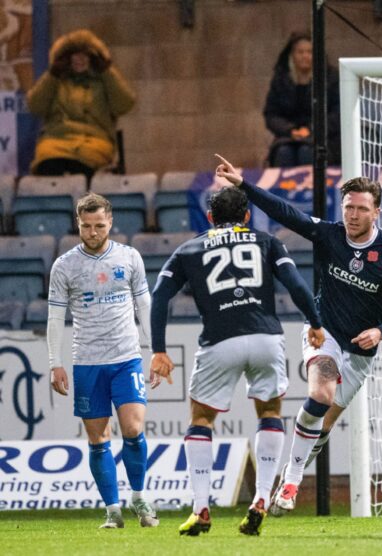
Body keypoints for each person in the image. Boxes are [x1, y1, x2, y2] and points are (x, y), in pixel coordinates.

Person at [212, 154, 382, 517]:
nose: (352, 215)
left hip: (360, 351)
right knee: (320, 394)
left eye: (360, 209)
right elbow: (286, 213)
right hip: (322, 333)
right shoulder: (329, 235)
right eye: (347, 207)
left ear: (376, 213)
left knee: (321, 425)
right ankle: (291, 483)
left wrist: (380, 331)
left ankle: (294, 471)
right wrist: (243, 184)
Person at [149, 186, 324, 536]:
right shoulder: (265, 241)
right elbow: (296, 284)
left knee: (200, 419)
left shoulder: (188, 249)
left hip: (219, 341)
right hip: (265, 337)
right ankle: (261, 498)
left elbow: (160, 295)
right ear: (246, 216)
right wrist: (316, 322)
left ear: (210, 217)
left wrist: (159, 349)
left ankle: (201, 508)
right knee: (270, 413)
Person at [47, 193, 158, 529]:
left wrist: (156, 350)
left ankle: (139, 498)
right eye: (86, 226)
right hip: (87, 363)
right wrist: (55, 362)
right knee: (98, 440)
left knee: (134, 429)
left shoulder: (129, 257)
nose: (93, 232)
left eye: (99, 225)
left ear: (110, 222)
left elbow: (144, 307)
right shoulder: (64, 265)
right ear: (77, 225)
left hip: (126, 358)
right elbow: (55, 318)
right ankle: (112, 510)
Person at [27, 29, 135, 181]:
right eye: (74, 54)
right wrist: (52, 75)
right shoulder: (56, 81)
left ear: (93, 58)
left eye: (85, 54)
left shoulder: (104, 82)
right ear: (65, 58)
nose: (80, 58)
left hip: (95, 142)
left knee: (84, 165)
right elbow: (35, 106)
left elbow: (125, 104)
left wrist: (107, 71)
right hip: (55, 141)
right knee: (48, 164)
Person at [263, 31, 341, 168]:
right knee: (283, 153)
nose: (305, 56)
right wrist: (290, 130)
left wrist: (311, 130)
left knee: (307, 152)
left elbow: (338, 113)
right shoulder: (280, 80)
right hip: (287, 138)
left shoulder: (331, 78)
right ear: (292, 54)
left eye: (309, 52)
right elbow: (271, 114)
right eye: (300, 52)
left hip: (323, 139)